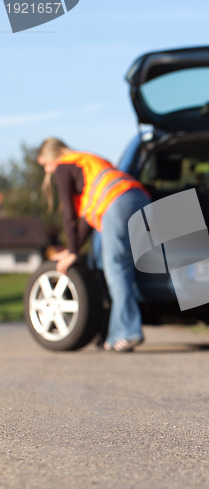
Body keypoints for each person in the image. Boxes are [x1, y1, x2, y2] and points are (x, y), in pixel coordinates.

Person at [37, 137, 151, 352]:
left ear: (51, 157)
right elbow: (88, 218)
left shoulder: (63, 166)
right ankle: (114, 336)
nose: (48, 171)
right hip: (139, 197)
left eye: (44, 165)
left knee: (116, 268)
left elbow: (70, 215)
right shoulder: (87, 160)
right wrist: (75, 250)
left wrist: (71, 251)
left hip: (116, 203)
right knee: (121, 266)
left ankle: (128, 332)